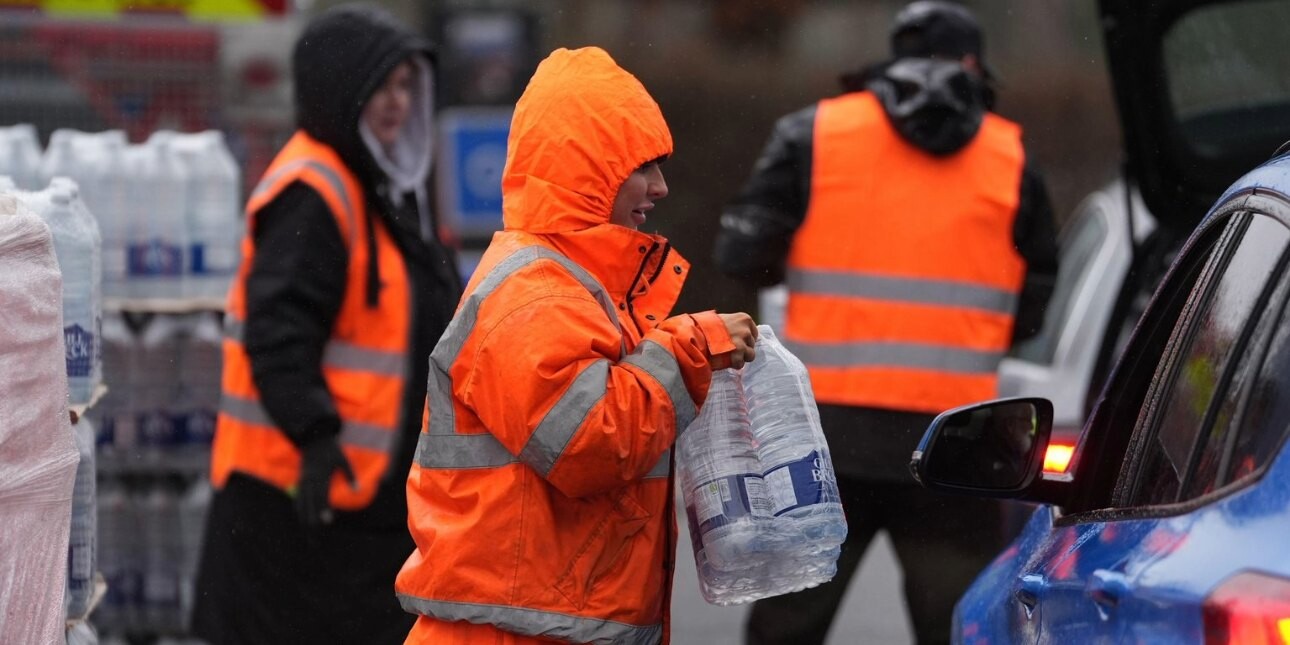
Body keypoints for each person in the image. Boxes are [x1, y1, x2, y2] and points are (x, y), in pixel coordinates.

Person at [713, 2, 1060, 643]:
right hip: (953, 440)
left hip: (823, 436)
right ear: (972, 64)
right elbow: (1039, 287)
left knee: (789, 622)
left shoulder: (813, 133)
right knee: (960, 624)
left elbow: (740, 254)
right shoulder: (1009, 154)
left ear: (892, 57)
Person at [394, 46, 759, 644]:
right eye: (643, 166)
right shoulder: (535, 293)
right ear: (589, 171)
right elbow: (591, 444)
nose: (661, 187)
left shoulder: (569, 285)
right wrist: (691, 346)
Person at [192, 4, 463, 643]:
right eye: (380, 85)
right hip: (296, 501)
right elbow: (279, 330)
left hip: (350, 502)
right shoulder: (316, 189)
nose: (396, 102)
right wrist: (314, 433)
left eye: (406, 86)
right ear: (342, 87)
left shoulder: (380, 188)